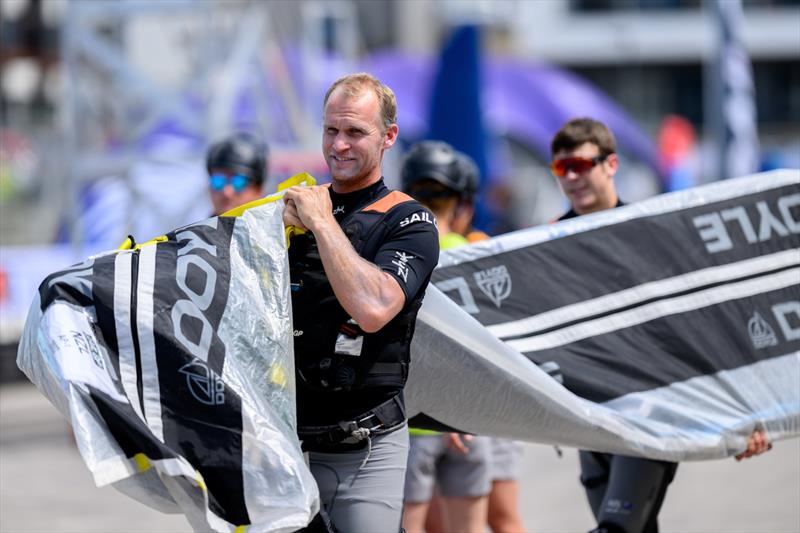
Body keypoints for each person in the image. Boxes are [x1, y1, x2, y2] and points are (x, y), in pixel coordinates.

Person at [549, 117, 772, 533]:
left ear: (611, 164)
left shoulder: (650, 232)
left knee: (615, 529)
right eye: (563, 169)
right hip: (588, 420)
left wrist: (748, 412)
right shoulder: (544, 246)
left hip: (649, 412)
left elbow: (705, 322)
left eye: (582, 165)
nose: (573, 177)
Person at [282, 73, 440, 533]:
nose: (339, 145)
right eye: (332, 130)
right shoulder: (293, 212)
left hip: (366, 448)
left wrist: (322, 223)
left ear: (389, 136)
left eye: (355, 132)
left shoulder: (410, 220)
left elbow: (374, 308)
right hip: (289, 446)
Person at [399, 141, 493, 533]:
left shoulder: (396, 254)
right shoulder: (478, 254)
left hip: (413, 420)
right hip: (469, 415)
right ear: (458, 201)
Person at [205, 132, 268, 215]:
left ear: (258, 190)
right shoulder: (192, 227)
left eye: (238, 182)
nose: (226, 192)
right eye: (218, 181)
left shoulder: (277, 226)